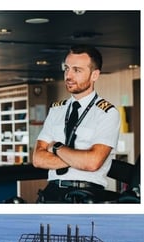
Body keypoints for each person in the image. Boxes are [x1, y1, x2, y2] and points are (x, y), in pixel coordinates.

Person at [32, 45, 121, 203]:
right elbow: (38, 158)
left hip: (87, 193)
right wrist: (79, 158)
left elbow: (93, 163)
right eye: (67, 69)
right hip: (52, 192)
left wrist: (56, 148)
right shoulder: (56, 110)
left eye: (77, 70)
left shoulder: (107, 113)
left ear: (94, 75)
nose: (69, 76)